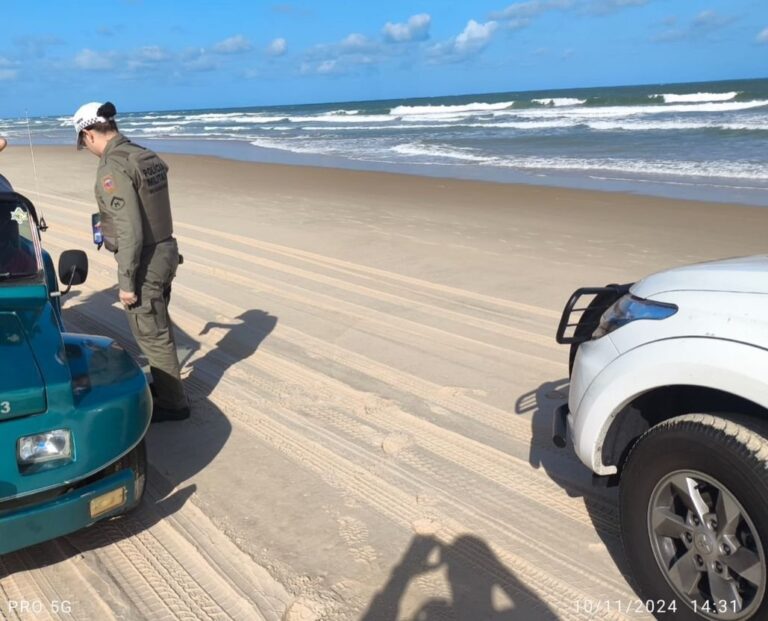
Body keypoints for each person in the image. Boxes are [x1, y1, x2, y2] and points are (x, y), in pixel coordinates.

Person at [73, 101, 189, 422]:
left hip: (145, 260)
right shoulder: (143, 154)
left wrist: (126, 283)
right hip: (166, 250)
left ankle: (173, 403)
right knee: (159, 325)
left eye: (84, 142)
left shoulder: (113, 166)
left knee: (151, 333)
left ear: (89, 134)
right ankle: (168, 389)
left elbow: (129, 229)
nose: (87, 149)